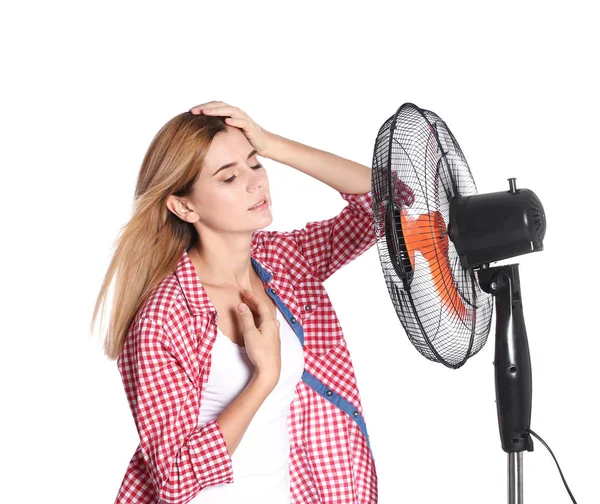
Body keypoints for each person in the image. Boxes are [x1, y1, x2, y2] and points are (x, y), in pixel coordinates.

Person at [91, 101, 414, 504]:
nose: (256, 183)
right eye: (229, 178)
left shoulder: (284, 261)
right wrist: (265, 377)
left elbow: (389, 201)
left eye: (255, 165)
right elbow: (173, 480)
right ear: (184, 205)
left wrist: (272, 144)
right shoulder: (165, 316)